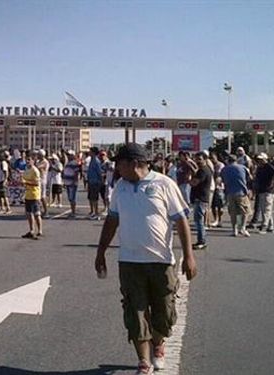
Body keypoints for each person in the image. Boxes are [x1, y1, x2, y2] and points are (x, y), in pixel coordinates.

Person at [94, 143, 197, 375]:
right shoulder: (120, 187)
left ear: (134, 163)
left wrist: (189, 256)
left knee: (164, 313)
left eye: (119, 163)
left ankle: (158, 344)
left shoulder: (163, 183)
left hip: (161, 262)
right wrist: (100, 252)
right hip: (129, 262)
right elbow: (112, 220)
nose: (116, 168)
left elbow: (181, 220)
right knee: (135, 312)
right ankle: (143, 362)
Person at [220, 155, 252, 237]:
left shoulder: (224, 169)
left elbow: (222, 180)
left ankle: (234, 229)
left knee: (233, 212)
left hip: (229, 192)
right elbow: (250, 178)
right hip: (241, 192)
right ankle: (243, 228)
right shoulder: (243, 168)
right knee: (245, 211)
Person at [189, 152, 213, 249]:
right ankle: (201, 240)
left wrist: (190, 179)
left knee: (199, 221)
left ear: (205, 159)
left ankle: (201, 241)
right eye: (196, 159)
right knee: (199, 220)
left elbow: (194, 183)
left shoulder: (203, 171)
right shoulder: (202, 170)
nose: (197, 161)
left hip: (200, 198)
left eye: (199, 159)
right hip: (200, 198)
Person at [252, 153, 274, 233]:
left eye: (261, 159)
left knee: (266, 209)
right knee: (265, 209)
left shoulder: (269, 166)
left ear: (265, 159)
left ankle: (264, 226)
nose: (259, 160)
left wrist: (273, 186)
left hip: (268, 190)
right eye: (259, 159)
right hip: (261, 190)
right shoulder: (259, 168)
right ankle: (270, 226)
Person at [21, 153, 43, 240]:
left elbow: (36, 183)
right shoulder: (26, 169)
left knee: (37, 214)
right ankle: (31, 230)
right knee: (29, 214)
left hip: (35, 195)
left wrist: (26, 183)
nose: (27, 161)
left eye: (29, 159)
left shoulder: (35, 170)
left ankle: (40, 230)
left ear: (33, 161)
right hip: (28, 194)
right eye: (26, 159)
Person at [87, 147, 104, 220]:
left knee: (95, 198)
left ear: (93, 152)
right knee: (91, 198)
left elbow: (99, 172)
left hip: (95, 182)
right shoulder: (91, 160)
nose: (89, 152)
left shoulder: (96, 161)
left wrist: (101, 181)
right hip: (91, 181)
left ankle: (97, 213)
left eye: (90, 151)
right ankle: (93, 212)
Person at [209, 152, 225, 227]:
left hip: (219, 187)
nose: (212, 159)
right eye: (210, 158)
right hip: (211, 187)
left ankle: (220, 220)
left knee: (219, 205)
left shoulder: (220, 165)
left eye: (213, 158)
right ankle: (216, 219)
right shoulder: (210, 165)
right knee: (213, 205)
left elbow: (218, 176)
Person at [62, 150, 79, 218]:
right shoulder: (68, 162)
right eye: (68, 155)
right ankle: (72, 211)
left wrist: (74, 181)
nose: (68, 156)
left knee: (72, 197)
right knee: (70, 198)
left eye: (69, 155)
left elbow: (76, 173)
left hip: (72, 183)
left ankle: (73, 212)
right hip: (68, 183)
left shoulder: (74, 163)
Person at [36, 150, 50, 216]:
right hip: (37, 180)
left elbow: (39, 168)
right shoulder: (38, 161)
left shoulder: (45, 162)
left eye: (38, 154)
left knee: (42, 196)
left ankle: (46, 211)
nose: (37, 155)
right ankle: (39, 210)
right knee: (37, 196)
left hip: (42, 181)